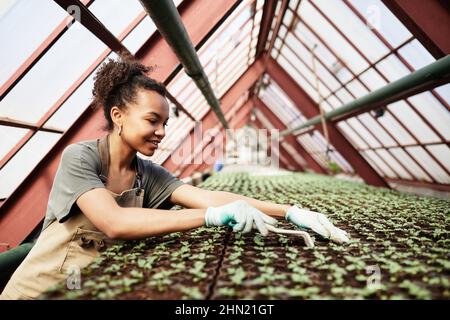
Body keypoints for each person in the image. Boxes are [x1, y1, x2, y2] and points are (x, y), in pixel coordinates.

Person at [0, 54, 348, 300]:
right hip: (34, 293)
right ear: (118, 115)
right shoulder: (81, 157)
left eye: (165, 123)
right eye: (153, 120)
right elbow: (114, 222)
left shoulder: (148, 175)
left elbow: (209, 198)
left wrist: (289, 211)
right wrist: (210, 219)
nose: (162, 131)